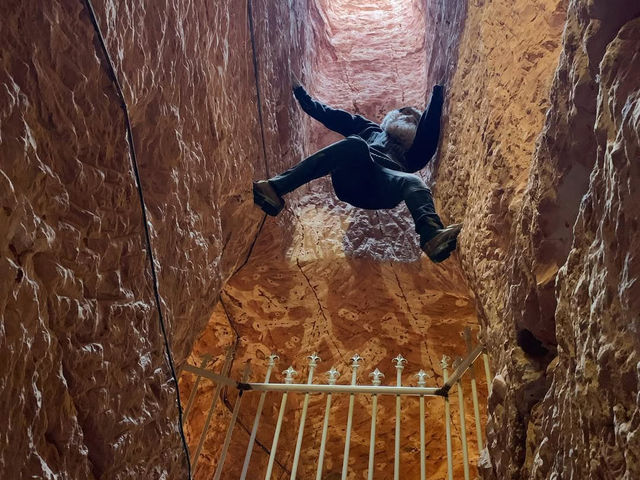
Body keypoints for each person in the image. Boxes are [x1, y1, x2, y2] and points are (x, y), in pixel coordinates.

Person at [253, 79, 462, 263]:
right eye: (404, 114)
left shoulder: (414, 152)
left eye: (414, 119)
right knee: (355, 145)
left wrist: (437, 92)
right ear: (389, 119)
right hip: (353, 179)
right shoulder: (370, 130)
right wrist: (301, 94)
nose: (409, 118)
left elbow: (429, 131)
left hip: (383, 187)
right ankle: (273, 188)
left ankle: (431, 235)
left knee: (414, 182)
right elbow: (333, 117)